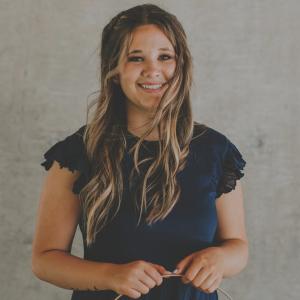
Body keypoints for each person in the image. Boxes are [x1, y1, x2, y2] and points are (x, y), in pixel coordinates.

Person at [31, 3, 248, 300]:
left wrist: (219, 260)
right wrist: (110, 275)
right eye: (136, 58)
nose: (153, 70)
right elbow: (45, 259)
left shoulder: (216, 151)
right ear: (114, 69)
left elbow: (237, 245)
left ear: (180, 65)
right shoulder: (79, 152)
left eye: (165, 57)